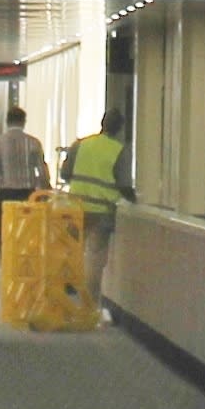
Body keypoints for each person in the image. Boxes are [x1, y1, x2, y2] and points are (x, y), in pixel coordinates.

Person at [66, 107, 136, 314]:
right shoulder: (119, 150)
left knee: (70, 252)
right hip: (101, 211)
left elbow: (65, 173)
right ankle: (89, 307)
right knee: (95, 259)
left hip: (75, 208)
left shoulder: (80, 144)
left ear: (102, 124)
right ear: (120, 128)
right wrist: (135, 199)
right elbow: (124, 185)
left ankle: (62, 300)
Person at [0, 103, 48, 268]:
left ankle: (6, 264)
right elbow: (42, 171)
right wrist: (45, 192)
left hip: (5, 193)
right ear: (24, 121)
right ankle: (24, 264)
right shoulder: (34, 143)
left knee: (3, 230)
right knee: (27, 230)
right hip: (28, 194)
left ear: (7, 121)